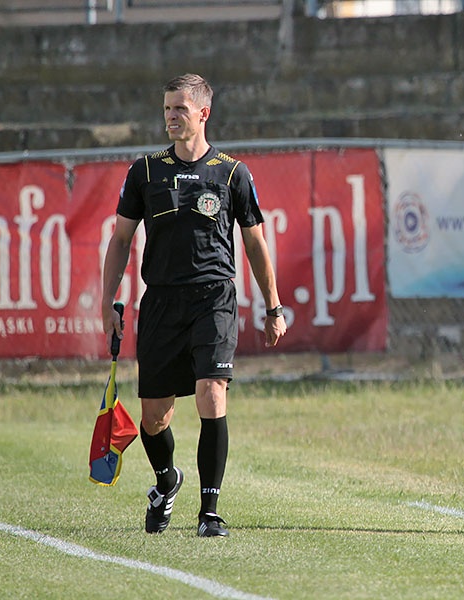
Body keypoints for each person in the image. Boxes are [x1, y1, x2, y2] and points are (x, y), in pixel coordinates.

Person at [101, 73, 287, 538]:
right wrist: (107, 302)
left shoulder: (230, 173)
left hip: (214, 298)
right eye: (167, 109)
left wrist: (273, 306)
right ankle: (166, 480)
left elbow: (256, 244)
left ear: (203, 113)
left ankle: (210, 513)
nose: (171, 117)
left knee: (211, 393)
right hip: (161, 302)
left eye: (180, 109)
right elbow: (121, 238)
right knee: (153, 416)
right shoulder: (143, 170)